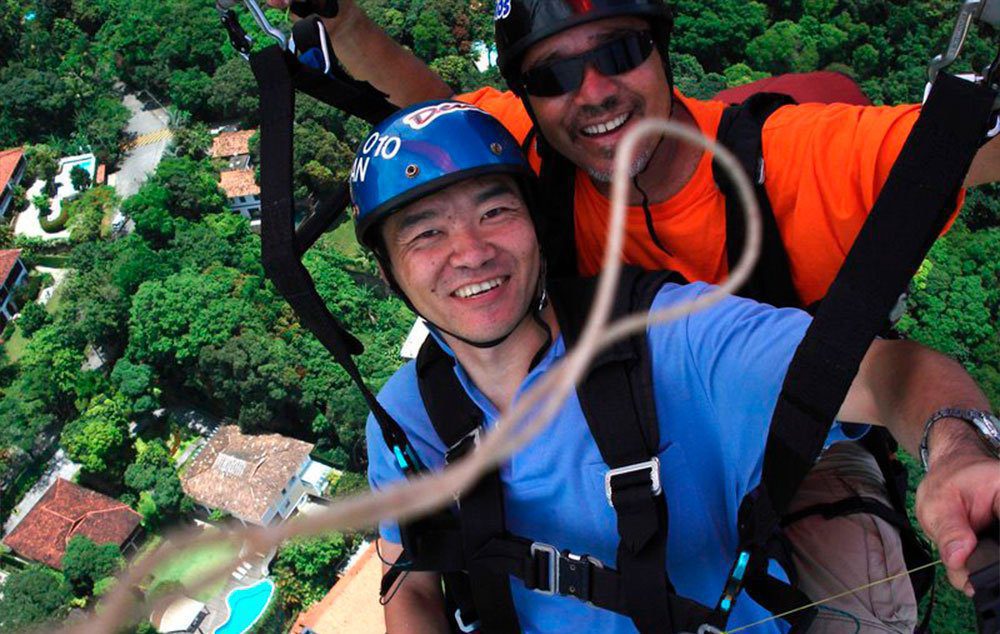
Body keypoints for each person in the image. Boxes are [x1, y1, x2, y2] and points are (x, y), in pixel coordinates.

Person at [265, 1, 998, 628]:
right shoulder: (528, 162)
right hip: (622, 403)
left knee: (860, 596)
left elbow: (948, 157)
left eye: (619, 51)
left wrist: (957, 450)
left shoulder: (792, 161)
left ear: (660, 48)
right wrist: (343, 21)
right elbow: (424, 111)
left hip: (791, 405)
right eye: (551, 76)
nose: (592, 92)